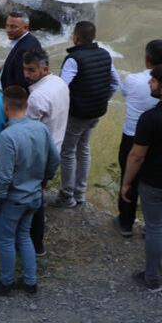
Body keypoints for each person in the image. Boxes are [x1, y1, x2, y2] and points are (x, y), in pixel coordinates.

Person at [0, 86, 60, 296]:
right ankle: (30, 281)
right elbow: (55, 159)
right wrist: (44, 180)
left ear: (6, 106)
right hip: (34, 194)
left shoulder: (8, 136)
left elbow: (5, 175)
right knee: (24, 237)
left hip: (14, 198)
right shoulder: (41, 129)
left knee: (6, 239)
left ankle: (6, 282)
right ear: (27, 105)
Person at [120, 64, 162, 292]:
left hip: (156, 183)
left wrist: (127, 182)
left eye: (153, 81)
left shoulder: (150, 118)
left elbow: (137, 155)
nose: (149, 83)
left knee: (156, 228)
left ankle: (152, 279)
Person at [55, 21, 119, 209]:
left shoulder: (74, 58)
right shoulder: (106, 55)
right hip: (96, 111)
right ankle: (80, 193)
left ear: (76, 37)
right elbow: (115, 83)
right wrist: (103, 99)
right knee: (84, 149)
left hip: (77, 113)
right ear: (93, 36)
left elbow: (61, 87)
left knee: (68, 152)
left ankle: (67, 196)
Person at [115, 39, 162, 237]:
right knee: (155, 182)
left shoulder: (133, 80)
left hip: (133, 137)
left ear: (147, 59)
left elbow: (123, 92)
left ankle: (125, 223)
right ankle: (152, 225)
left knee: (129, 178)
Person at [22, 47, 69, 255]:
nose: (27, 75)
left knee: (34, 197)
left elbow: (28, 133)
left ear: (45, 68)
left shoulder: (37, 97)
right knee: (39, 191)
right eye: (25, 69)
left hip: (40, 154)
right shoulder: (59, 82)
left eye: (31, 70)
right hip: (56, 145)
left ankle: (35, 243)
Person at [0, 11, 42, 89]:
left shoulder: (25, 49)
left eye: (13, 27)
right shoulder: (28, 40)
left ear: (26, 27)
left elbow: (22, 81)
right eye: (7, 25)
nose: (8, 30)